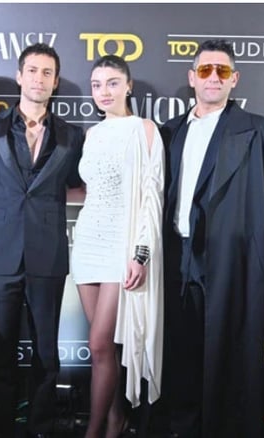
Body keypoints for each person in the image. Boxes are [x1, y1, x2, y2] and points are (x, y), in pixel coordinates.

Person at [159, 39, 264, 438]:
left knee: (232, 353)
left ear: (235, 79)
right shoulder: (168, 132)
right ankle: (183, 426)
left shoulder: (263, 133)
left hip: (235, 259)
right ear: (192, 78)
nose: (213, 77)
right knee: (181, 349)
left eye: (222, 71)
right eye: (205, 70)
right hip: (176, 256)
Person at [0, 43, 84, 438]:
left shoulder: (72, 136)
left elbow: (78, 184)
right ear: (19, 76)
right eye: (32, 71)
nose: (39, 79)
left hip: (48, 252)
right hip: (0, 252)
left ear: (55, 82)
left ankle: (41, 428)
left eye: (47, 73)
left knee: (46, 352)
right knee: (0, 350)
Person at [70, 55, 164, 438]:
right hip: (87, 243)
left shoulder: (144, 130)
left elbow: (152, 196)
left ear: (128, 85)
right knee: (103, 349)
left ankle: (94, 432)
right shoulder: (91, 135)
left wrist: (141, 253)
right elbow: (90, 191)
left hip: (121, 247)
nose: (103, 91)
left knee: (99, 344)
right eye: (96, 85)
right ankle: (115, 417)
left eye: (112, 83)